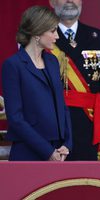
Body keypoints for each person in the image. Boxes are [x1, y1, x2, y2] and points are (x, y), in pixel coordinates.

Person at [49, 0, 100, 160]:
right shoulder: (42, 38)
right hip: (54, 124)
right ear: (52, 2)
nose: (70, 1)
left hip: (89, 125)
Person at [1, 6, 72, 161]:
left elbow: (62, 106)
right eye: (52, 31)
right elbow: (15, 118)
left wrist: (67, 143)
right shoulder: (13, 65)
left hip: (58, 150)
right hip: (28, 152)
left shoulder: (52, 61)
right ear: (37, 33)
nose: (57, 37)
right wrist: (47, 152)